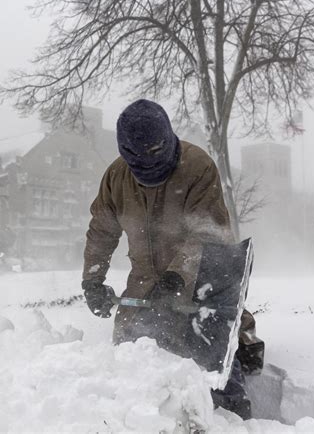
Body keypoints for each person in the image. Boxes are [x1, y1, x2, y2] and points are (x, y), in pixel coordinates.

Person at [81, 99, 262, 420]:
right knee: (131, 359)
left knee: (211, 354)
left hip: (198, 281)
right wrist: (92, 280)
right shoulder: (116, 177)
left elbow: (209, 234)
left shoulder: (198, 168)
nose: (149, 172)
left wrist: (177, 277)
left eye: (155, 161)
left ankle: (233, 416)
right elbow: (101, 231)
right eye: (140, 166)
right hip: (144, 285)